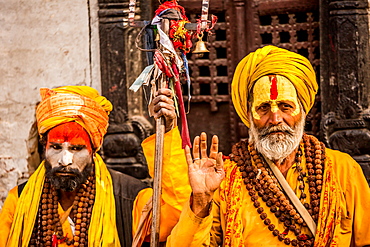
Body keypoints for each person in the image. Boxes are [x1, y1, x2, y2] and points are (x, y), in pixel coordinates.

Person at [166, 45, 370, 246]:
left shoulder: (342, 170)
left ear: (303, 110)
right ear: (248, 115)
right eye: (263, 108)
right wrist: (201, 199)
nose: (275, 118)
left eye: (286, 106)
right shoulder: (225, 179)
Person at [0, 85, 191, 246]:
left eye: (76, 148)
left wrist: (167, 130)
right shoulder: (18, 200)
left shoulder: (130, 197)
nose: (65, 160)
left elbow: (177, 217)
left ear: (94, 149)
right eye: (56, 147)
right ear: (44, 147)